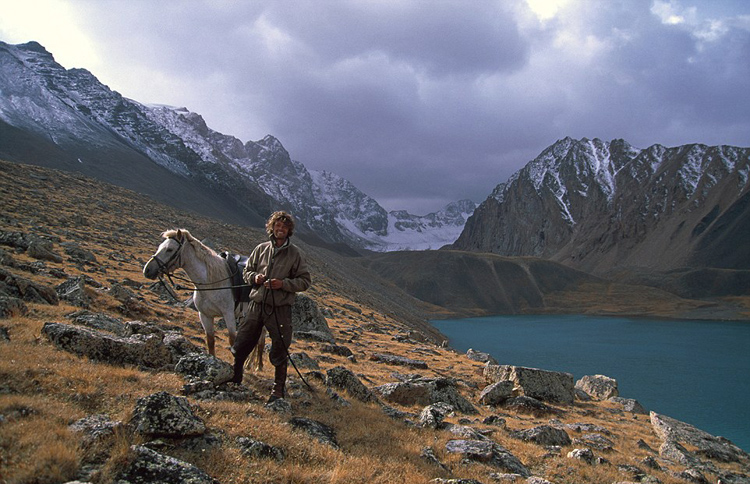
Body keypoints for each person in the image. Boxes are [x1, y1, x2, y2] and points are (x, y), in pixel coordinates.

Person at [230, 211, 311, 403]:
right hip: (257, 304)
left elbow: (305, 281)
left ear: (289, 230)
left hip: (280, 308)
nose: (280, 229)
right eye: (277, 225)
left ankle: (278, 389)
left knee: (280, 347)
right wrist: (255, 278)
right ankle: (235, 376)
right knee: (243, 341)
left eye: (284, 227)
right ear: (272, 227)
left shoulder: (295, 253)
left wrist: (283, 284)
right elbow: (247, 271)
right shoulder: (261, 249)